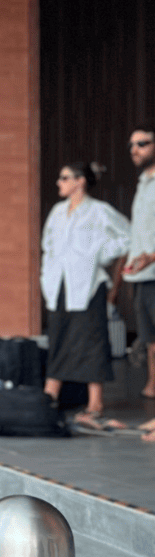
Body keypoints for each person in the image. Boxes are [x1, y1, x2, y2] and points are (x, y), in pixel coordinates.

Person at [40, 161, 130, 424]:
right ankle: (49, 396)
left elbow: (127, 235)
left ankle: (95, 403)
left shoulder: (99, 211)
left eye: (64, 177)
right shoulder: (57, 211)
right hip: (59, 284)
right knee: (58, 337)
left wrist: (100, 255)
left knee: (91, 340)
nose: (59, 182)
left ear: (80, 181)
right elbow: (48, 244)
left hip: (88, 285)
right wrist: (46, 275)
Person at [123, 125, 155, 399]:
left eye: (142, 143)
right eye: (132, 144)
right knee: (150, 338)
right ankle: (152, 388)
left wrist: (152, 256)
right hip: (142, 276)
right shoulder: (143, 184)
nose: (135, 149)